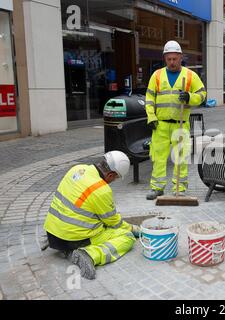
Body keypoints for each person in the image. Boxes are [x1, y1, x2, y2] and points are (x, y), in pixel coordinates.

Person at [43, 151, 138, 280]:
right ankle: (90, 255)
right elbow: (113, 223)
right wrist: (133, 229)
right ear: (110, 175)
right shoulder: (101, 189)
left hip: (52, 233)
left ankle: (60, 241)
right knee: (127, 237)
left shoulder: (77, 169)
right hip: (72, 240)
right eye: (115, 178)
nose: (113, 181)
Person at [145, 40, 207, 200]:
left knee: (181, 157)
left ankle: (179, 188)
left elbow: (202, 95)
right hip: (160, 125)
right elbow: (149, 98)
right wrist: (151, 117)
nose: (172, 62)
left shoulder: (190, 76)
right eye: (168, 59)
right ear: (165, 58)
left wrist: (189, 97)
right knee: (158, 157)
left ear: (180, 57)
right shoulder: (157, 76)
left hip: (181, 124)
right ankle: (157, 187)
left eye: (174, 58)